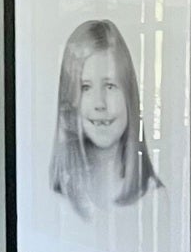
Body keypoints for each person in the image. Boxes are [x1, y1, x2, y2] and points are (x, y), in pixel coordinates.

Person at [49, 17, 161, 219]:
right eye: (85, 87)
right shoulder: (53, 201)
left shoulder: (155, 199)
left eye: (110, 86)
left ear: (129, 95)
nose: (99, 103)